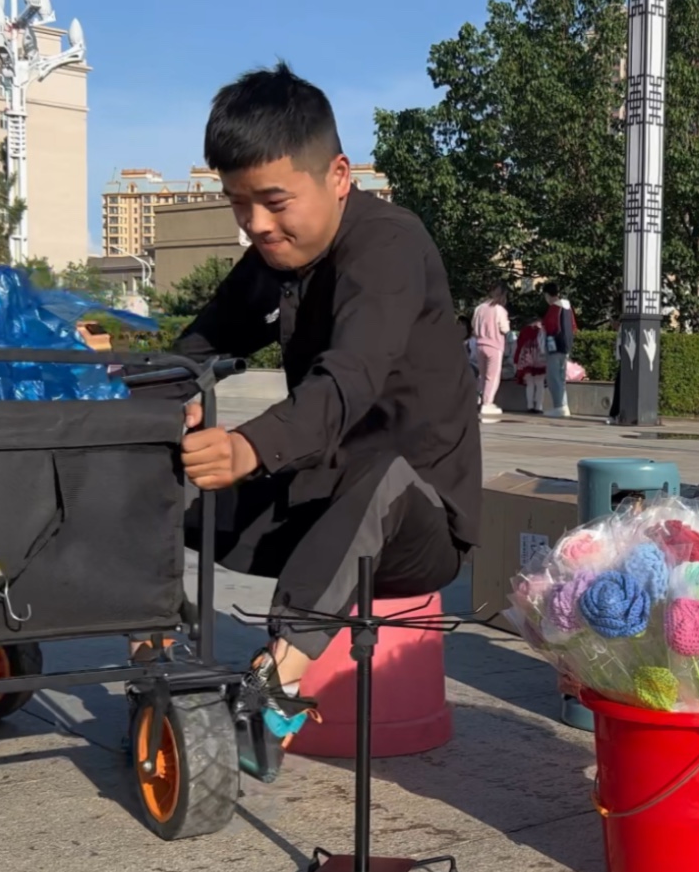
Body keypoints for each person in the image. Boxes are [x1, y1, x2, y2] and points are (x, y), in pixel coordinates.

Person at [143, 62, 481, 736]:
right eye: (239, 204)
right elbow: (198, 346)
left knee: (379, 473)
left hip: (418, 526)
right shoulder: (275, 257)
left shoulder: (388, 245)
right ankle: (153, 635)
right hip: (314, 507)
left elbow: (349, 377)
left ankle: (272, 687)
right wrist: (149, 399)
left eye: (274, 200)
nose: (256, 225)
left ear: (337, 175)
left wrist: (248, 444)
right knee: (151, 470)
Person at [471, 283, 511, 422]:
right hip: (494, 345)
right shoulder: (499, 310)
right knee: (492, 376)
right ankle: (487, 404)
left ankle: (480, 400)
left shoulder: (479, 309)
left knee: (482, 376)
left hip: (480, 344)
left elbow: (474, 329)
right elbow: (504, 328)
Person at [540, 282, 575, 418]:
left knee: (553, 377)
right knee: (561, 377)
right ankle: (563, 405)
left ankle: (559, 406)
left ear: (547, 295)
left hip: (554, 346)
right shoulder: (567, 307)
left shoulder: (554, 308)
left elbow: (549, 326)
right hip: (565, 346)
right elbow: (573, 326)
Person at [513, 318, 548, 414]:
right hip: (541, 359)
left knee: (530, 383)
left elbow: (519, 346)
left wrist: (516, 361)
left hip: (526, 359)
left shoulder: (524, 331)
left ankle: (530, 406)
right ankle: (539, 406)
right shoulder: (544, 330)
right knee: (540, 383)